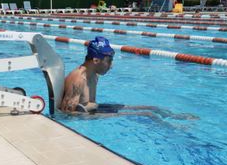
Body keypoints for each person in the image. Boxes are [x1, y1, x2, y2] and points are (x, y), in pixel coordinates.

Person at [60, 36, 189, 121]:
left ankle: (174, 117)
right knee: (148, 115)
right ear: (96, 60)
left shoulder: (95, 73)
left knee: (152, 107)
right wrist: (102, 116)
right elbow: (66, 113)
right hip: (87, 114)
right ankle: (175, 130)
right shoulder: (78, 79)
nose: (111, 66)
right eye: (109, 61)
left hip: (93, 108)